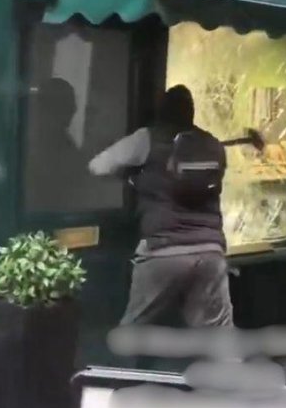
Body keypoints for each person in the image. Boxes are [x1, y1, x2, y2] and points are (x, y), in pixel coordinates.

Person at [89, 85, 233, 330]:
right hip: (210, 252)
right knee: (219, 335)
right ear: (191, 112)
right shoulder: (213, 144)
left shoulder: (146, 138)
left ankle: (126, 368)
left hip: (163, 249)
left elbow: (97, 166)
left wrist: (134, 178)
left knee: (134, 332)